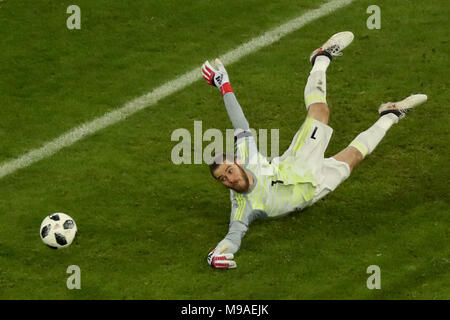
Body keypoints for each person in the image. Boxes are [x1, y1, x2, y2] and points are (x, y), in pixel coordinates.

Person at [201, 31, 427, 269]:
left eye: (229, 170)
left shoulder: (246, 156)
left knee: (321, 112)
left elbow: (239, 123)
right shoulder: (242, 208)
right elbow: (233, 236)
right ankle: (391, 114)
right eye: (222, 179)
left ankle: (321, 57)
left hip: (297, 163)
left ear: (237, 162)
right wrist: (216, 253)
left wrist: (223, 85)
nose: (229, 179)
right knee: (354, 156)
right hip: (312, 191)